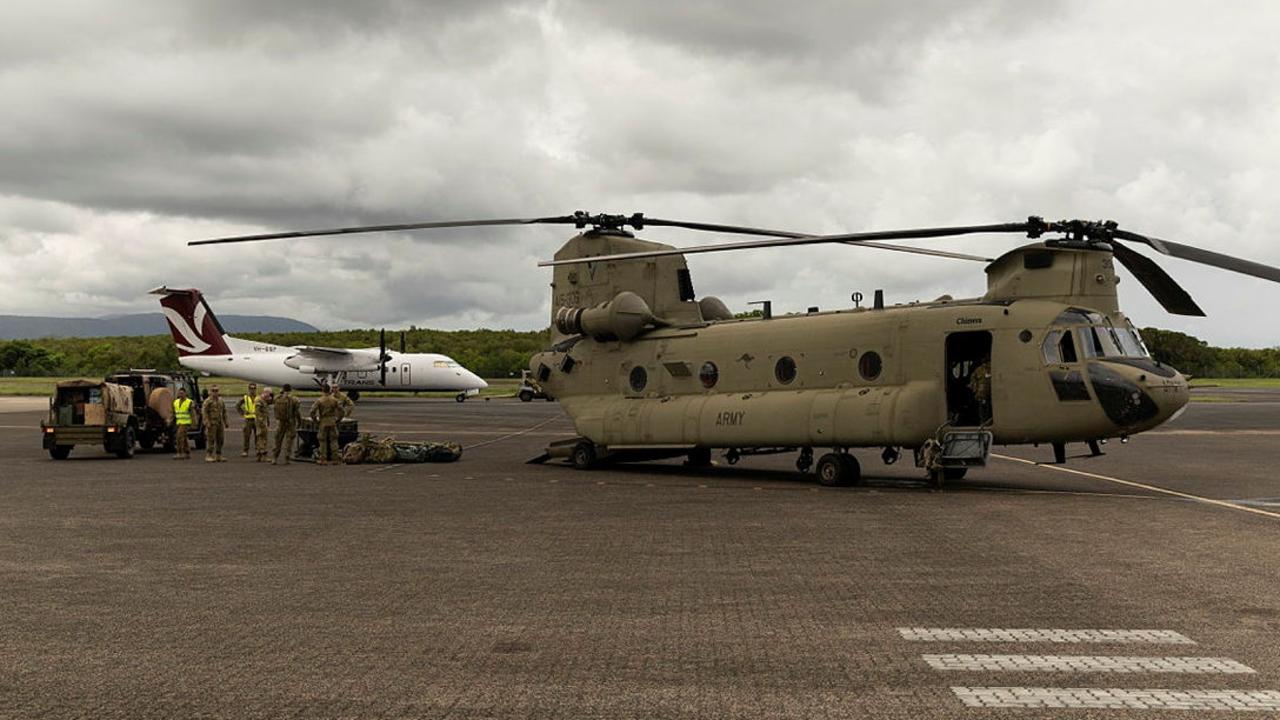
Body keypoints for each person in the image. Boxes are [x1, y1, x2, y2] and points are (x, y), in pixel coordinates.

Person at [309, 385, 345, 465]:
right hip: (332, 421)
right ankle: (335, 459)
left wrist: (315, 420)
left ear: (322, 390)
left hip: (323, 421)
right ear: (330, 390)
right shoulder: (334, 400)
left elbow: (312, 412)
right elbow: (342, 411)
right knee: (334, 440)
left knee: (322, 441)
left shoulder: (320, 400)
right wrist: (338, 419)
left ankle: (323, 459)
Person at [272, 384, 302, 465]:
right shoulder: (294, 399)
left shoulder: (277, 398)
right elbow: (297, 412)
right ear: (290, 389)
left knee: (278, 440)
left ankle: (274, 458)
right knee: (289, 441)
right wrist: (299, 422)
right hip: (290, 422)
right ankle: (287, 458)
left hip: (280, 422)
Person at [202, 384, 229, 462]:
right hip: (211, 422)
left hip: (219, 422)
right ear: (210, 392)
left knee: (220, 439)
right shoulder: (208, 401)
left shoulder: (221, 401)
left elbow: (224, 411)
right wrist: (207, 422)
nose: (215, 392)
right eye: (213, 391)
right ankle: (209, 454)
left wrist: (226, 421)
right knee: (211, 439)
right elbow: (204, 412)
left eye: (216, 391)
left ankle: (218, 454)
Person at [236, 383, 258, 457]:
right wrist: (242, 413)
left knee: (257, 436)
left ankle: (258, 450)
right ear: (249, 389)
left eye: (254, 388)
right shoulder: (245, 397)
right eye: (251, 388)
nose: (252, 390)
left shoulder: (258, 398)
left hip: (257, 419)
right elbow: (237, 405)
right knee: (246, 436)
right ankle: (245, 450)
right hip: (248, 419)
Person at [968, 358, 992, 424]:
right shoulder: (980, 370)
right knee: (984, 411)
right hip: (983, 394)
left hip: (987, 394)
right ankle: (984, 424)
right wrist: (976, 390)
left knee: (986, 411)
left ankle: (985, 423)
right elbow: (973, 382)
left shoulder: (989, 369)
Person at [172, 387, 194, 460]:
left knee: (179, 437)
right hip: (179, 422)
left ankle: (180, 452)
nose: (180, 394)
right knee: (184, 438)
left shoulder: (189, 402)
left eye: (182, 393)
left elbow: (192, 414)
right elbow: (174, 413)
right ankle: (187, 452)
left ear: (185, 394)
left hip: (185, 423)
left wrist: (193, 423)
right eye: (179, 393)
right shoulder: (176, 402)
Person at [253, 387, 273, 462]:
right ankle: (263, 454)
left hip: (263, 421)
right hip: (261, 422)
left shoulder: (263, 400)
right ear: (266, 393)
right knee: (262, 438)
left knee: (260, 438)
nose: (270, 396)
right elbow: (258, 413)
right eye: (269, 394)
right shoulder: (259, 401)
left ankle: (259, 455)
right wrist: (262, 423)